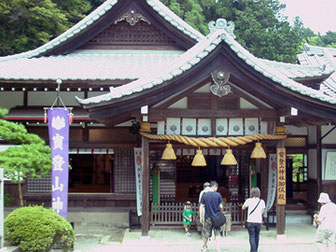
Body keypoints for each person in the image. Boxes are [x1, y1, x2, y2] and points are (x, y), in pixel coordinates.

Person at [199, 180, 223, 252]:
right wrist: (219, 211)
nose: (217, 189)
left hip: (207, 217)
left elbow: (201, 207)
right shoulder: (218, 195)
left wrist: (201, 217)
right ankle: (217, 248)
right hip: (216, 217)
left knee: (206, 233)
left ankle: (205, 247)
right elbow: (221, 206)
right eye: (217, 187)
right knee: (217, 233)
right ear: (214, 187)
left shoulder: (204, 195)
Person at [242, 187, 265, 252]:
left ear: (251, 193)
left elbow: (243, 207)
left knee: (252, 236)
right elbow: (262, 211)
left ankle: (253, 250)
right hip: (258, 221)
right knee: (257, 236)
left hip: (250, 221)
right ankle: (255, 250)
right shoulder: (262, 201)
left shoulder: (249, 200)